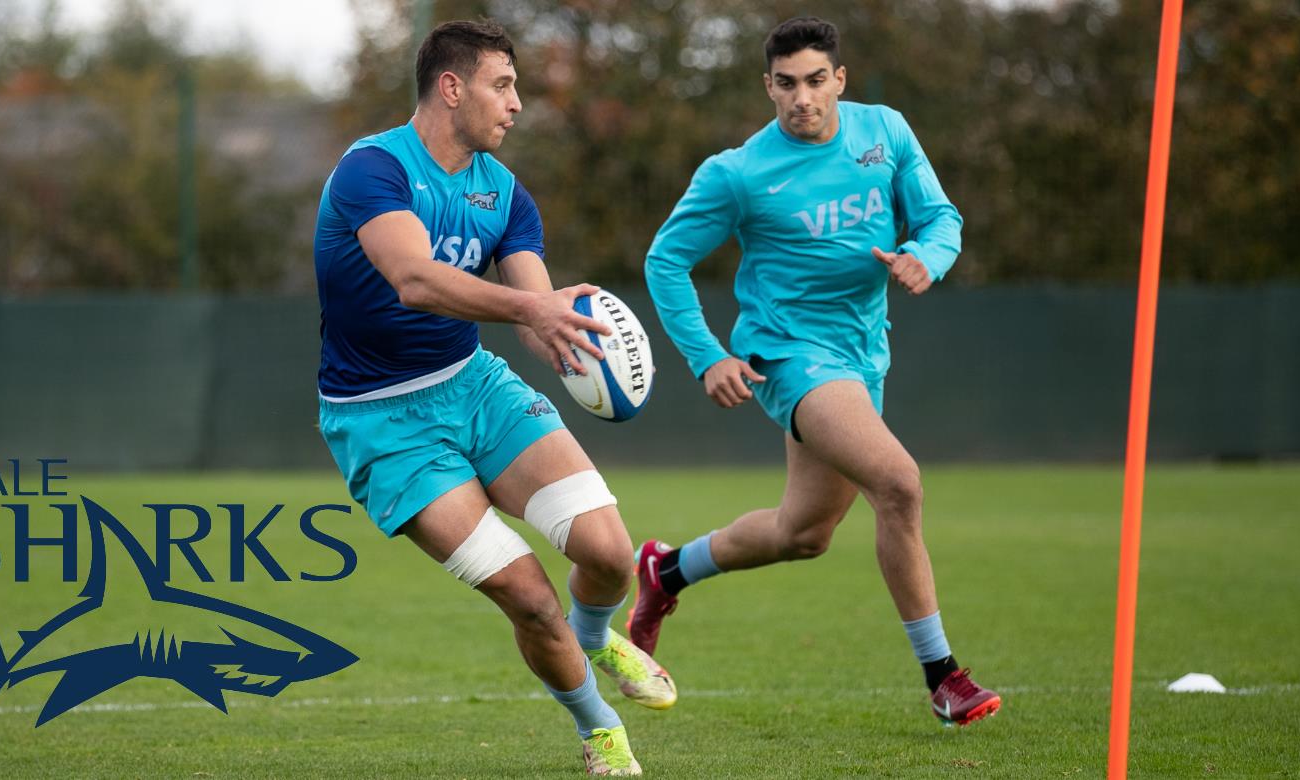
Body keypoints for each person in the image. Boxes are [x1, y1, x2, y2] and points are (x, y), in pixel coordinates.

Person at [313, 20, 673, 776]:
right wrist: (530, 312)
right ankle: (599, 728)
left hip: (473, 386)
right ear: (452, 87)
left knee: (607, 553)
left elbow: (535, 305)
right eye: (502, 85)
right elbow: (413, 278)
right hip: (382, 424)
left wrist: (566, 334)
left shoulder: (504, 193)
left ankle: (600, 634)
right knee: (529, 596)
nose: (516, 104)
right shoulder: (371, 170)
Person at [632, 16, 1001, 727]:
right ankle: (944, 678)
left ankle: (666, 570)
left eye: (815, 80)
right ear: (767, 87)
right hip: (791, 354)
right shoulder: (737, 173)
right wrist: (708, 356)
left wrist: (929, 255)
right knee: (898, 485)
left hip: (864, 351)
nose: (802, 97)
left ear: (839, 80)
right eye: (786, 84)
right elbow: (664, 261)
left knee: (804, 533)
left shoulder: (884, 133)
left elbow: (941, 218)